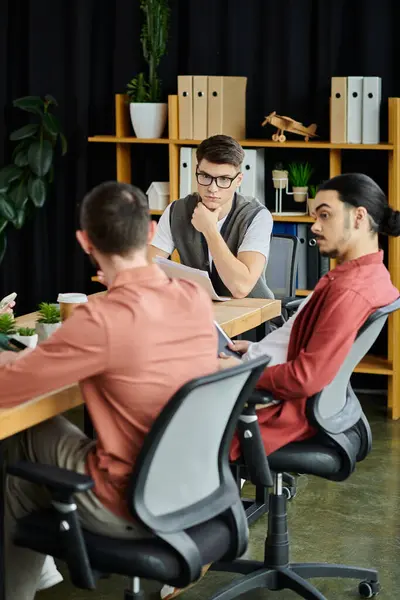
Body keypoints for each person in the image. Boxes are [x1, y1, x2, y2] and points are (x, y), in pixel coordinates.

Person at [0, 181, 219, 600]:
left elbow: (10, 388)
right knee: (25, 483)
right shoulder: (192, 296)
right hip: (195, 486)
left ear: (85, 241)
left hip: (132, 502)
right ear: (152, 231)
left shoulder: (101, 318)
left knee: (23, 437)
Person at [219, 173, 400, 459]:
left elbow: (305, 377)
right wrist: (255, 349)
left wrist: (240, 372)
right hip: (272, 377)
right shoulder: (366, 274)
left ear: (359, 217)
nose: (315, 226)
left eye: (325, 215)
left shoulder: (350, 291)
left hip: (278, 410)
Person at [147, 134, 274, 299]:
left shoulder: (257, 216)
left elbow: (240, 288)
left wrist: (209, 229)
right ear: (196, 171)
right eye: (205, 176)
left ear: (238, 180)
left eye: (224, 179)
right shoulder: (176, 210)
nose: (213, 188)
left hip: (251, 317)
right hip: (199, 314)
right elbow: (147, 269)